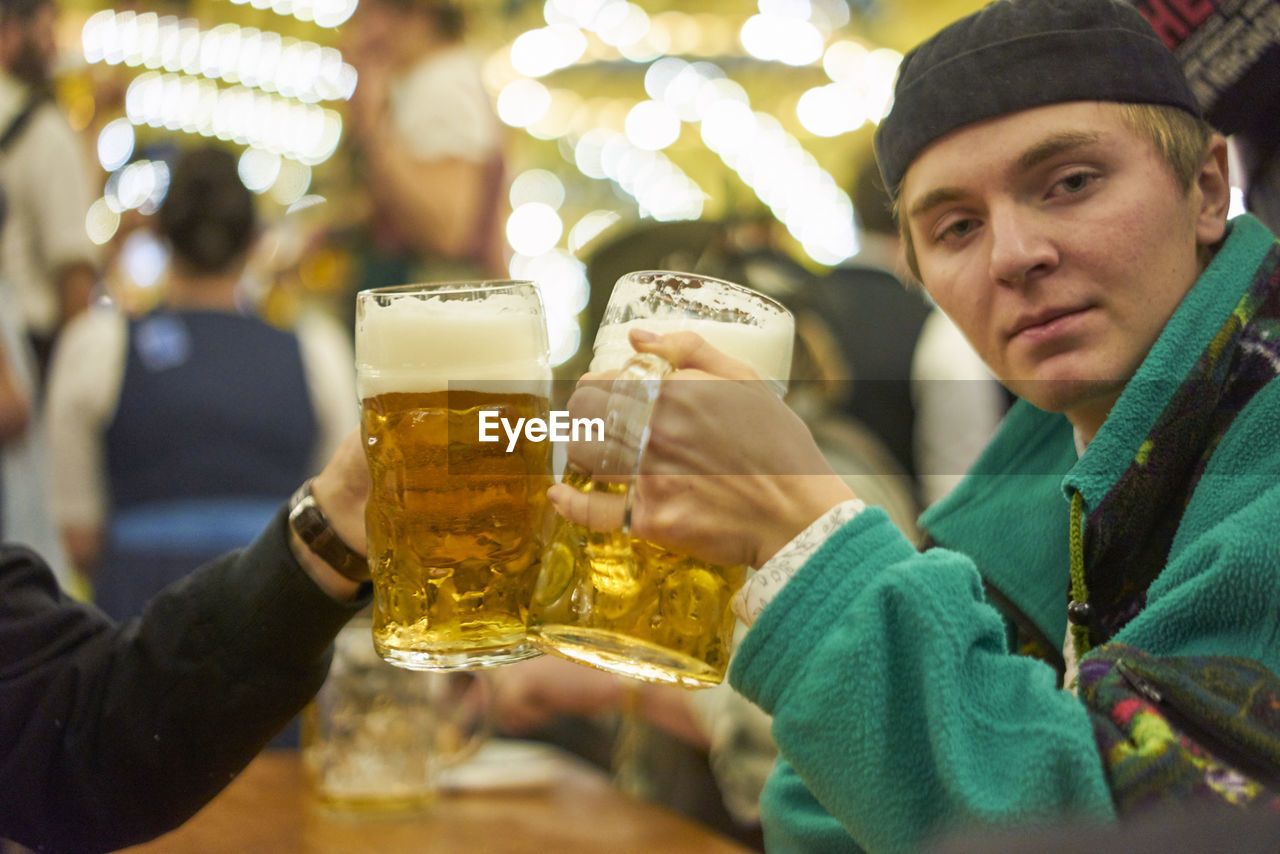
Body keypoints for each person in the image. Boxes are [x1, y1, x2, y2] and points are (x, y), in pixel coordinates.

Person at [550, 1, 1280, 851]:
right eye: (957, 227)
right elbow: (813, 814)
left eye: (1072, 182)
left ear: (1205, 190)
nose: (1013, 254)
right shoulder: (1032, 491)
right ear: (919, 272)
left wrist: (809, 541)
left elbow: (1129, 832)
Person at [0, 428, 371, 854]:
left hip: (251, 626)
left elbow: (81, 736)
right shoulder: (96, 357)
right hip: (159, 591)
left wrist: (334, 520)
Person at [44, 146, 356, 620]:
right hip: (275, 629)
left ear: (160, 231)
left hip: (138, 632)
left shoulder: (95, 345)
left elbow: (78, 539)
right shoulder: (317, 350)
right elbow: (343, 517)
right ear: (255, 240)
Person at [341, 0, 507, 295]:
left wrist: (374, 128)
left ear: (418, 15)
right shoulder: (436, 80)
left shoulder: (440, 84)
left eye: (366, 16)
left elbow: (447, 230)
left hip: (436, 305)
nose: (355, 37)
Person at [0, 0, 99, 381]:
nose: (55, 51)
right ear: (8, 34)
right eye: (44, 35)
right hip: (23, 350)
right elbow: (73, 269)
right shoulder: (45, 130)